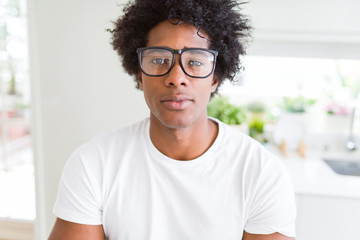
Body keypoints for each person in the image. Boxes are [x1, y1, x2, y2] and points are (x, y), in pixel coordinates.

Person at [49, 0, 296, 239]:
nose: (176, 77)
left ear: (214, 78)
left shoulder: (261, 174)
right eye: (158, 60)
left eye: (195, 62)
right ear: (139, 76)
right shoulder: (93, 165)